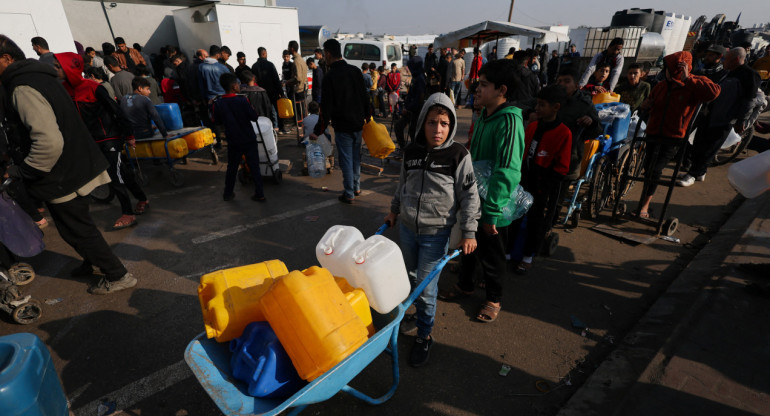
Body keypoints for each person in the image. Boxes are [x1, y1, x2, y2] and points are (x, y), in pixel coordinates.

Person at [0, 35, 135, 294]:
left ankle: (118, 275)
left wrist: (24, 170)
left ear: (6, 58)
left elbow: (48, 141)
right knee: (76, 225)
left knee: (77, 229)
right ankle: (92, 262)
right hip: (75, 163)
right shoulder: (41, 76)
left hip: (60, 173)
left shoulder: (22, 86)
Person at [384, 93, 479, 367]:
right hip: (407, 229)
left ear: (450, 127)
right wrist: (393, 210)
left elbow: (470, 196)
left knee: (426, 288)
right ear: (422, 123)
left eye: (444, 123)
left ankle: (425, 335)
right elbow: (403, 184)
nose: (438, 130)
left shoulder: (458, 155)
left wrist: (470, 232)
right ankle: (417, 314)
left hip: (435, 235)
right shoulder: (412, 152)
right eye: (432, 122)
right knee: (411, 279)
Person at [438, 59, 524, 323]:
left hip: (493, 207)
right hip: (475, 200)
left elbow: (507, 170)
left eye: (484, 85)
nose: (477, 89)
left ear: (502, 90)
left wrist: (492, 213)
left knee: (492, 256)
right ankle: (465, 285)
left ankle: (493, 298)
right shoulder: (485, 116)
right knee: (468, 246)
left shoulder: (509, 122)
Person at [55, 52, 150, 230]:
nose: (55, 69)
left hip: (109, 138)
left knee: (114, 176)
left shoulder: (93, 88)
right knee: (122, 172)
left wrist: (129, 136)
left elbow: (117, 111)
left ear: (69, 68)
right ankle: (143, 198)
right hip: (90, 140)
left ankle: (127, 213)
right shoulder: (63, 90)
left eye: (58, 66)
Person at [636, 51, 720, 218]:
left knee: (655, 171)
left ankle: (643, 207)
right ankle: (643, 204)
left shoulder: (693, 84)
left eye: (668, 68)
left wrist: (688, 78)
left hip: (673, 137)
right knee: (648, 170)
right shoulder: (660, 86)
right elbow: (647, 109)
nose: (664, 72)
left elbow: (713, 92)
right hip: (653, 133)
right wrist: (644, 106)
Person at [678, 47, 760, 187]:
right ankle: (700, 172)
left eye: (726, 59)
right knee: (699, 142)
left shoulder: (749, 75)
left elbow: (749, 101)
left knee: (709, 147)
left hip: (725, 118)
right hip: (710, 113)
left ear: (735, 59)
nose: (723, 61)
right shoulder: (727, 72)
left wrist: (741, 120)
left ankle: (692, 174)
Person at [513, 85, 572, 274]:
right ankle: (509, 251)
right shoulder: (532, 126)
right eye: (537, 104)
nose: (537, 108)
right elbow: (522, 153)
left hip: (544, 185)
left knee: (536, 222)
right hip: (525, 180)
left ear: (556, 107)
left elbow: (562, 167)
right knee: (515, 216)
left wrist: (545, 185)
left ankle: (528, 257)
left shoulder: (564, 133)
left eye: (542, 105)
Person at [309, 39, 370, 204]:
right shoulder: (355, 71)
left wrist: (318, 130)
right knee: (356, 158)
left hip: (343, 126)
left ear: (328, 53)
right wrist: (368, 116)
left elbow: (325, 108)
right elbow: (365, 96)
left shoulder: (330, 77)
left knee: (347, 160)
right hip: (358, 124)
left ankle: (349, 193)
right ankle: (356, 187)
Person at [212, 72, 266, 202]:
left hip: (233, 139)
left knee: (232, 167)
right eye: (237, 84)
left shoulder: (218, 103)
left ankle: (228, 193)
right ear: (234, 86)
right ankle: (259, 193)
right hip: (248, 137)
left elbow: (216, 121)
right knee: (254, 166)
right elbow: (254, 116)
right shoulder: (242, 99)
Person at [555, 70, 602, 180]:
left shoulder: (584, 103)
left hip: (570, 158)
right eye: (559, 81)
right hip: (548, 155)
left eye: (567, 81)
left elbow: (598, 129)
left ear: (576, 86)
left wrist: (590, 122)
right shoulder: (551, 98)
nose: (562, 84)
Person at [251, 47, 283, 132]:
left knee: (265, 111)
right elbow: (276, 79)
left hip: (260, 93)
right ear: (264, 53)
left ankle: (268, 128)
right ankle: (280, 127)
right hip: (273, 92)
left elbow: (254, 81)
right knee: (277, 109)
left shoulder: (254, 66)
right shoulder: (270, 64)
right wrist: (281, 92)